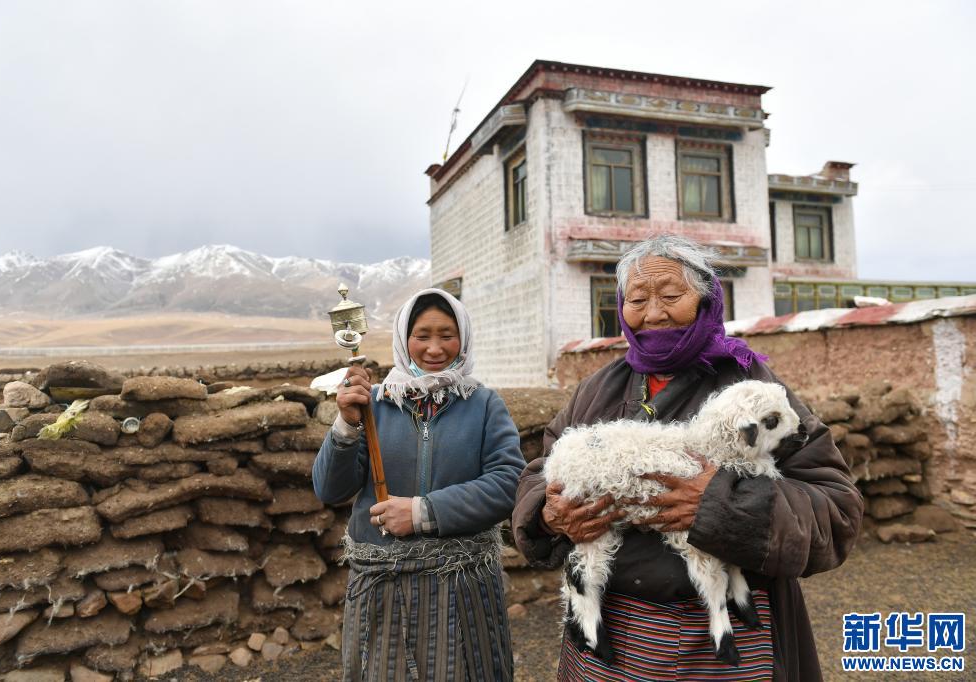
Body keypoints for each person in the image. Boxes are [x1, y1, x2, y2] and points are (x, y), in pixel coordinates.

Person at [512, 235, 863, 681]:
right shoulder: (597, 390)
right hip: (610, 640)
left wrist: (720, 506)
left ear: (706, 300)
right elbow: (540, 474)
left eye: (671, 296)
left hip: (723, 640)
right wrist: (549, 514)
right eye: (637, 299)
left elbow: (836, 509)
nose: (653, 313)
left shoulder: (753, 391)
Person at [314, 288, 525, 682]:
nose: (434, 348)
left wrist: (422, 512)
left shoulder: (483, 405)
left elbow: (507, 482)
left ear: (463, 337)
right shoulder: (373, 406)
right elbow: (330, 489)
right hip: (383, 589)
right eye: (422, 335)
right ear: (403, 338)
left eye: (447, 335)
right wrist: (345, 425)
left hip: (462, 589)